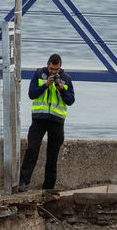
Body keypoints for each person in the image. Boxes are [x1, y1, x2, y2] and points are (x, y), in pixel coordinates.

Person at [17, 53, 75, 191]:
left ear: (60, 67)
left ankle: (48, 187)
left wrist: (61, 89)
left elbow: (70, 101)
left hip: (57, 121)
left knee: (52, 155)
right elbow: (32, 94)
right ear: (47, 65)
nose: (54, 72)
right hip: (39, 119)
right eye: (51, 69)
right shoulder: (38, 74)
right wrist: (46, 85)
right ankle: (23, 183)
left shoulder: (66, 79)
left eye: (56, 70)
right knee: (32, 150)